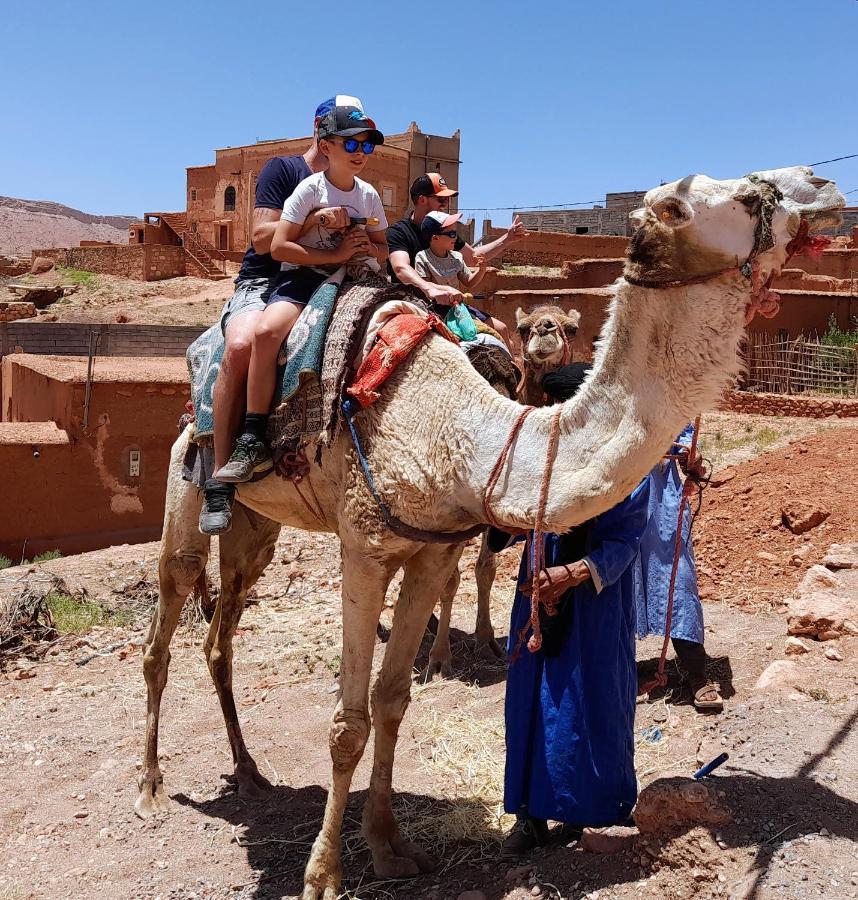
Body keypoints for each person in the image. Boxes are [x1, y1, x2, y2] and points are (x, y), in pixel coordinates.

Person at [499, 364, 651, 857]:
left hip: (596, 608)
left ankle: (599, 808)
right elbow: (510, 516)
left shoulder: (627, 466)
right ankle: (530, 817)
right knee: (532, 702)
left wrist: (571, 576)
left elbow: (627, 537)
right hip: (536, 600)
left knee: (594, 700)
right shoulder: (539, 460)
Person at [215, 100, 388, 484]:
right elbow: (272, 244)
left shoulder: (369, 195)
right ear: (325, 141)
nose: (360, 153)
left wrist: (362, 248)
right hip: (298, 277)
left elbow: (383, 246)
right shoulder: (300, 182)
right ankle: (247, 436)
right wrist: (329, 238)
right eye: (351, 144)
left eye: (367, 146)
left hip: (354, 277)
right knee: (260, 335)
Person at [201, 97, 346, 534]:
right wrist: (315, 217)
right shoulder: (284, 172)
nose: (353, 148)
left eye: (359, 142)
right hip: (264, 282)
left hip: (318, 280)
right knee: (243, 344)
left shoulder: (352, 187)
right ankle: (220, 478)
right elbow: (263, 238)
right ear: (320, 131)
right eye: (344, 137)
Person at [635, 424, 723, 712]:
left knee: (678, 581)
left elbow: (688, 451)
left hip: (664, 504)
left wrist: (691, 459)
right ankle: (617, 672)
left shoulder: (672, 399)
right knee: (620, 580)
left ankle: (696, 672)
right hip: (620, 495)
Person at [386, 174, 528, 344]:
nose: (445, 205)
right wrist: (431, 289)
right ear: (422, 199)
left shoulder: (446, 231)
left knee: (502, 331)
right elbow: (401, 268)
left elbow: (473, 258)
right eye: (440, 199)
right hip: (417, 304)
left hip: (452, 305)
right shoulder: (399, 232)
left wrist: (507, 239)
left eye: (447, 200)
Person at [414, 211, 487, 296]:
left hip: (455, 306)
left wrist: (481, 270)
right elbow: (425, 285)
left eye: (455, 233)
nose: (456, 237)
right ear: (435, 238)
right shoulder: (423, 258)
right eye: (451, 234)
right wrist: (447, 290)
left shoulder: (456, 257)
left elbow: (468, 282)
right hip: (433, 307)